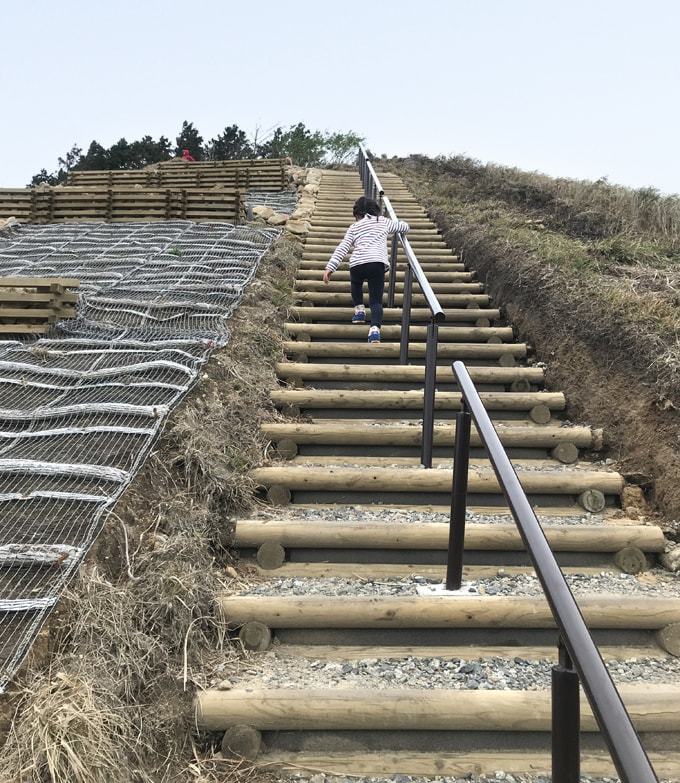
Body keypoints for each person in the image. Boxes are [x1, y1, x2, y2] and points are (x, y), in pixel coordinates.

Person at [323, 197, 410, 343]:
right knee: (376, 301)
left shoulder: (354, 227)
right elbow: (404, 227)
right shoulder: (382, 221)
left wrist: (330, 268)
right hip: (376, 264)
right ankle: (374, 330)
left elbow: (343, 247)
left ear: (357, 215)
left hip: (357, 264)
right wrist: (403, 225)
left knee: (356, 285)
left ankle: (359, 311)